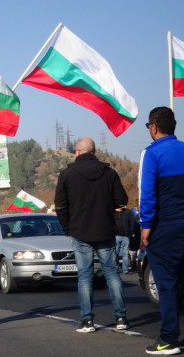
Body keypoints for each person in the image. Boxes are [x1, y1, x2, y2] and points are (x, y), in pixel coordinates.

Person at [139, 107, 184, 354]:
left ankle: (168, 339)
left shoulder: (151, 153)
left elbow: (147, 193)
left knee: (166, 283)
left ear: (154, 127)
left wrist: (145, 227)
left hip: (164, 225)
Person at [54, 137, 129, 333]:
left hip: (80, 232)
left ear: (77, 152)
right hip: (105, 231)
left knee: (85, 277)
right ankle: (121, 317)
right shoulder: (109, 173)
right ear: (94, 152)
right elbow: (122, 200)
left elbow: (60, 206)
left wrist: (68, 228)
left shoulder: (67, 174)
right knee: (112, 274)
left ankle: (87, 321)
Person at [115, 201, 137, 275]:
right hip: (116, 236)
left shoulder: (128, 212)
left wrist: (130, 232)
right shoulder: (113, 212)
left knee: (125, 253)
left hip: (126, 236)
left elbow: (132, 222)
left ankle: (125, 270)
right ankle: (116, 269)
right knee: (115, 253)